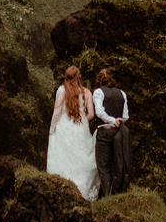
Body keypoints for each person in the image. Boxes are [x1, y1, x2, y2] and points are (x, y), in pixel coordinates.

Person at [46, 64, 99, 197]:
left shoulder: (61, 90)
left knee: (64, 158)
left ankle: (60, 189)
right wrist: (83, 120)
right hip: (80, 127)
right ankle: (82, 190)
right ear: (79, 77)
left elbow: (57, 113)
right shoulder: (86, 92)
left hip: (64, 127)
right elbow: (91, 114)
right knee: (80, 158)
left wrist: (51, 131)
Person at [91, 67, 131, 196]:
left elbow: (99, 112)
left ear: (99, 80)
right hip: (118, 133)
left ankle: (107, 195)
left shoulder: (98, 92)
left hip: (104, 132)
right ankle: (116, 193)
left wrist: (112, 120)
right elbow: (125, 116)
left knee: (104, 165)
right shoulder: (122, 93)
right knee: (117, 163)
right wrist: (118, 121)